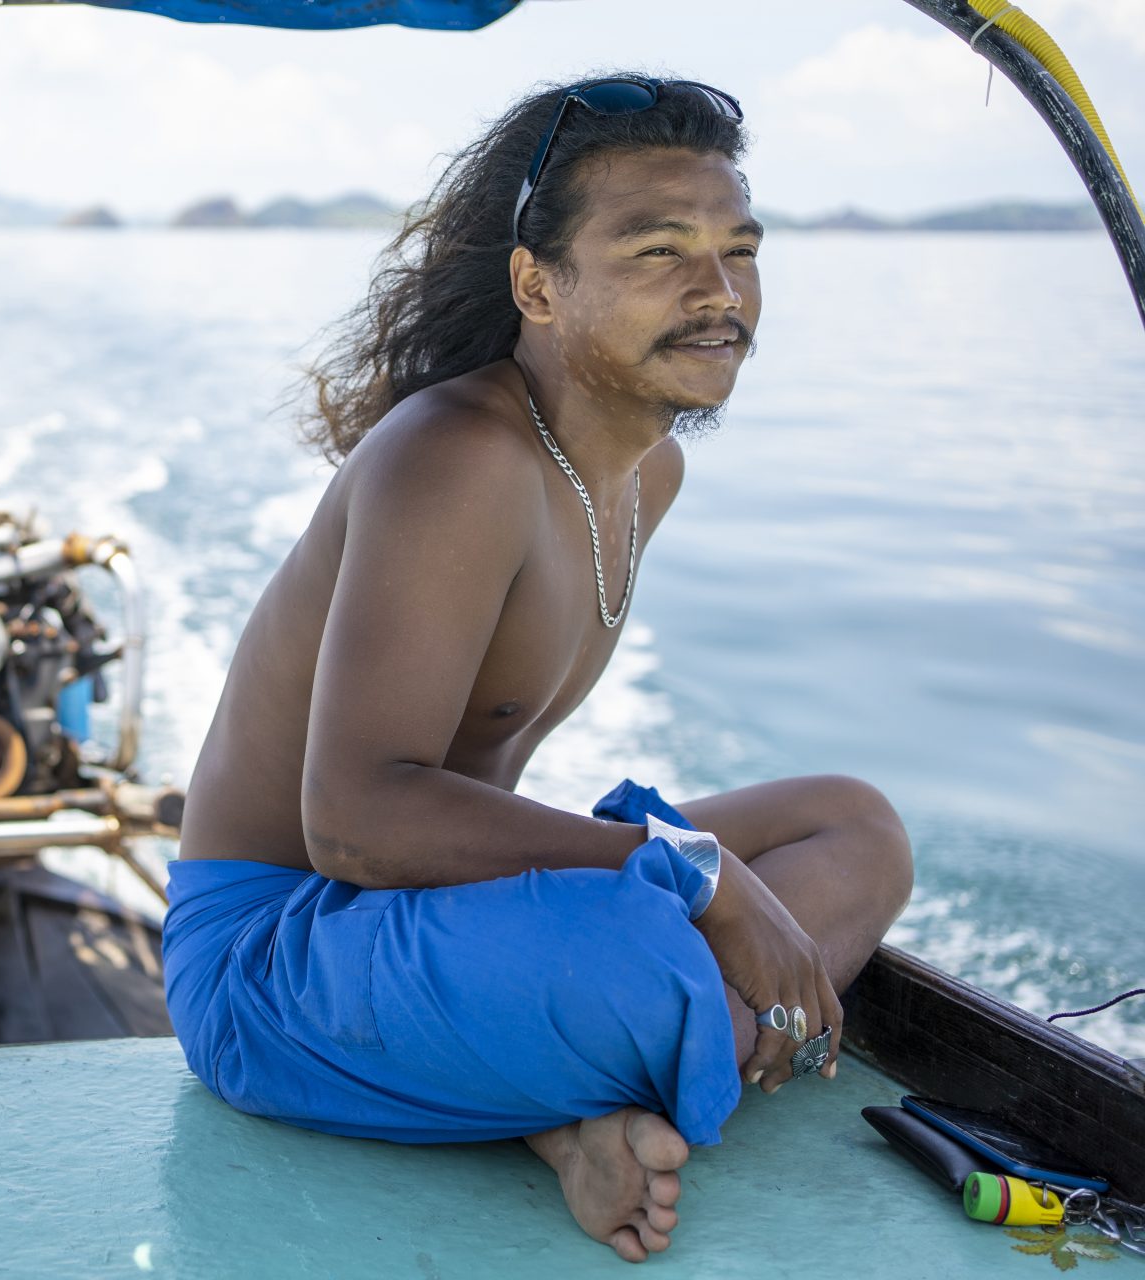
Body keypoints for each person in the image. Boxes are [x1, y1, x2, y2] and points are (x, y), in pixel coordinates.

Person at [162, 75, 916, 1264]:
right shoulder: (458, 455)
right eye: (659, 250)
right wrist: (695, 875)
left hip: (429, 920)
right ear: (538, 286)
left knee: (854, 825)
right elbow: (352, 825)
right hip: (276, 956)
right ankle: (583, 1090)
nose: (717, 292)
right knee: (645, 958)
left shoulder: (643, 472)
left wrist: (699, 884)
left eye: (737, 249)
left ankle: (570, 1110)